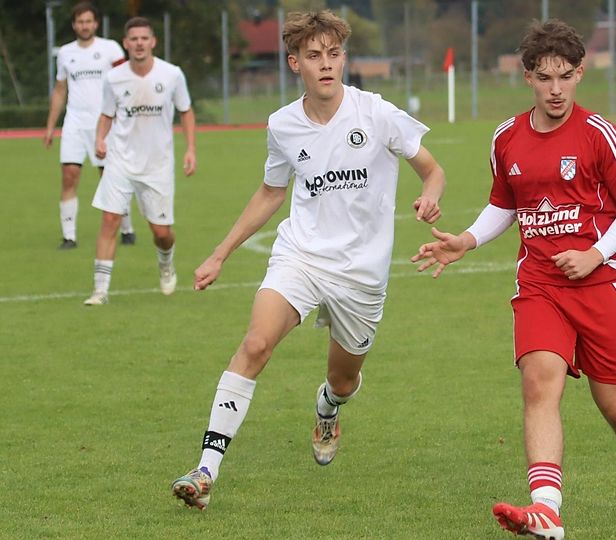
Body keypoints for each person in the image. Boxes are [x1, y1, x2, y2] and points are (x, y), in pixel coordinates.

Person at [170, 10, 445, 510]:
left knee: (343, 378)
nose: (326, 64)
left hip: (362, 274)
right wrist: (220, 253)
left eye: (334, 54)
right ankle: (206, 470)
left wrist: (430, 195)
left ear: (344, 59)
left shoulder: (377, 112)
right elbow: (271, 192)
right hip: (301, 255)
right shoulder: (282, 125)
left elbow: (432, 169)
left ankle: (328, 408)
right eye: (314, 56)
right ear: (295, 62)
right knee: (255, 343)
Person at [412, 19, 616, 540]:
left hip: (602, 284)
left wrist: (595, 254)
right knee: (538, 383)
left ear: (579, 74)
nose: (555, 89)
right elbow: (505, 204)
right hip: (541, 286)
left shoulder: (600, 134)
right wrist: (467, 240)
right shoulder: (507, 137)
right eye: (545, 78)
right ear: (528, 76)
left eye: (565, 77)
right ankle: (546, 510)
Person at [82, 16, 196, 306]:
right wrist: (99, 139)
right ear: (126, 43)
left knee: (161, 233)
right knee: (109, 220)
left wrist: (190, 149)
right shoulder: (114, 78)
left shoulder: (172, 75)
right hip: (120, 160)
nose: (139, 43)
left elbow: (186, 110)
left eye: (144, 38)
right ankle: (100, 291)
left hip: (157, 165)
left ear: (153, 41)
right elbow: (107, 114)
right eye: (133, 39)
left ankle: (166, 262)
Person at [44, 2, 137, 250]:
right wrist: (51, 126)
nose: (84, 26)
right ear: (74, 25)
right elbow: (60, 89)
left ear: (95, 23)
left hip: (105, 123)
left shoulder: (110, 49)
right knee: (69, 176)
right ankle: (69, 236)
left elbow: (126, 81)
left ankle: (127, 229)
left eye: (88, 21)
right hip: (74, 122)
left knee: (110, 177)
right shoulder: (65, 53)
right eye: (80, 22)